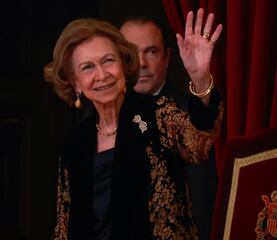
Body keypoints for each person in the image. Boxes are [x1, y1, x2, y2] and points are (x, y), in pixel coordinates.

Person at [44, 9, 223, 240]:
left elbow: (200, 142)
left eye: (108, 60)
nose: (102, 75)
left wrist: (200, 78)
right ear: (75, 83)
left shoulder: (157, 113)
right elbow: (63, 226)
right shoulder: (74, 142)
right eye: (88, 67)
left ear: (123, 64)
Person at [119, 9, 219, 240]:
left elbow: (201, 202)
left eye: (151, 52)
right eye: (130, 54)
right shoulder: (97, 116)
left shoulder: (189, 112)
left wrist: (201, 78)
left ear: (167, 57)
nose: (141, 63)